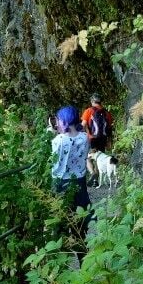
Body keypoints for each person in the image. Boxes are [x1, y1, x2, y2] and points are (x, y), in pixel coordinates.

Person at [50, 106, 92, 261]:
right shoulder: (84, 138)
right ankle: (83, 260)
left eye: (58, 120)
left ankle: (61, 261)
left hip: (60, 182)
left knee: (60, 223)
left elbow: (55, 162)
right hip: (79, 183)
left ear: (64, 121)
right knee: (80, 225)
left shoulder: (58, 141)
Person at [82, 93, 113, 180]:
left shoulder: (88, 111)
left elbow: (83, 125)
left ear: (92, 101)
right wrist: (109, 141)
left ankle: (92, 173)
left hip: (92, 139)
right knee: (98, 159)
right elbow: (109, 128)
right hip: (103, 139)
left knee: (88, 158)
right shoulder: (107, 113)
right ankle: (96, 177)